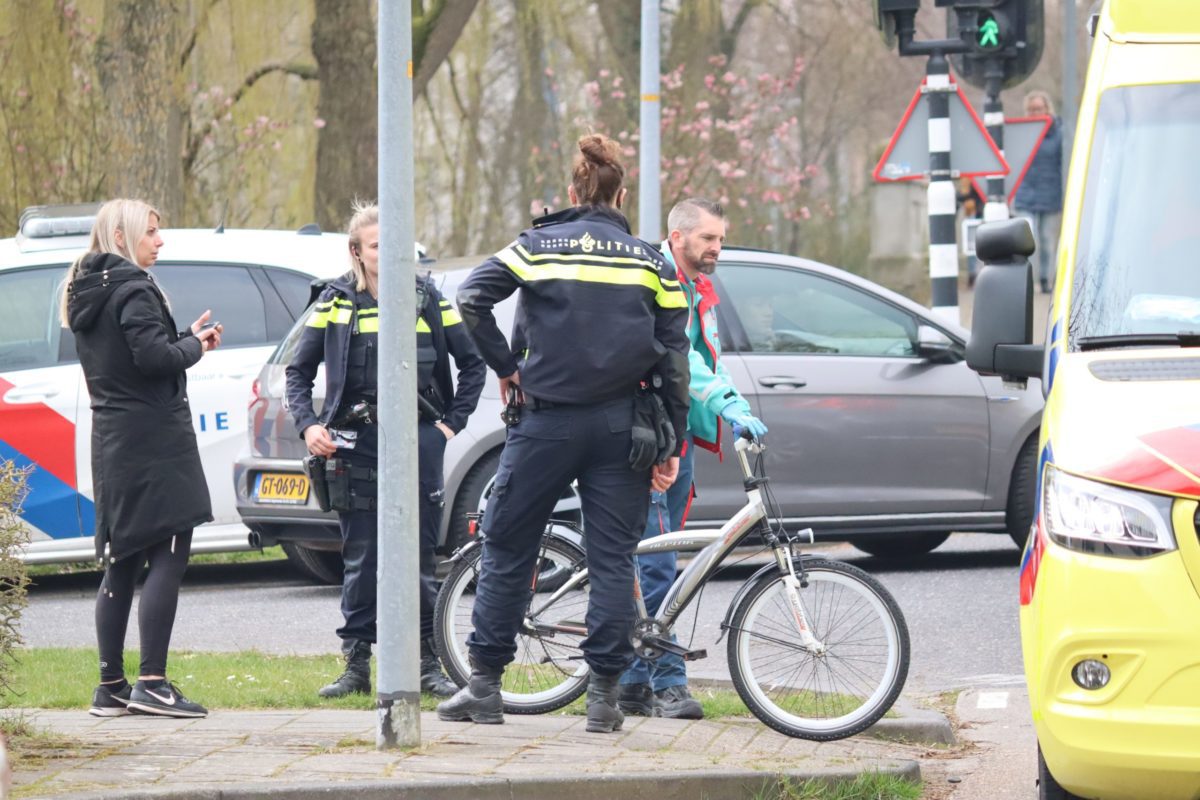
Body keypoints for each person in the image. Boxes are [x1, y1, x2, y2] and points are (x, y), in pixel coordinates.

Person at [438, 133, 691, 733]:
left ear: (573, 191)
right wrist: (673, 441)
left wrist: (506, 367)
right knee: (611, 559)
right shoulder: (651, 260)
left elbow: (472, 298)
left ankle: (485, 688)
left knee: (506, 547)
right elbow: (675, 356)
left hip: (545, 421)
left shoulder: (537, 246)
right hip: (622, 426)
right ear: (620, 192)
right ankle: (603, 699)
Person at [286, 201, 485, 699]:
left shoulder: (427, 297)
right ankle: (356, 667)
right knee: (361, 558)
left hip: (419, 443)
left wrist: (447, 426)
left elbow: (473, 365)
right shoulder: (335, 302)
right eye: (378, 246)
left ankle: (426, 664)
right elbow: (297, 372)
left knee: (419, 558)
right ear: (357, 252)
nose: (388, 254)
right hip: (355, 447)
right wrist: (309, 426)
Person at [65, 198, 222, 719]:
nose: (160, 241)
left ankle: (110, 685)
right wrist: (195, 346)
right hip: (155, 440)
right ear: (119, 234)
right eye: (152, 232)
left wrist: (183, 338)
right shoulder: (133, 288)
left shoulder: (85, 289)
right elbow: (154, 361)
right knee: (170, 554)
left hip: (113, 438)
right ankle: (152, 682)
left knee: (123, 558)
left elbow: (133, 358)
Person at [616, 199, 768, 721]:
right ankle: (668, 684)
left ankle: (633, 682)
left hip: (677, 435)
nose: (716, 249)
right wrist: (724, 403)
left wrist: (729, 402)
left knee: (655, 558)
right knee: (656, 563)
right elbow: (678, 359)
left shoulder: (699, 286)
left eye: (720, 239)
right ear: (676, 236)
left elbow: (705, 360)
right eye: (708, 239)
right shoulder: (657, 281)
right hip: (654, 438)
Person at [1012, 90, 1063, 294]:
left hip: (1050, 192)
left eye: (1039, 109)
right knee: (1027, 238)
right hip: (1026, 193)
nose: (1035, 113)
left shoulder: (1059, 132)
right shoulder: (1022, 132)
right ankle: (1027, 280)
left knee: (1047, 240)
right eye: (1032, 109)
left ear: (1047, 109)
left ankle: (1045, 280)